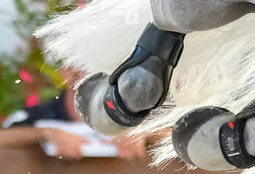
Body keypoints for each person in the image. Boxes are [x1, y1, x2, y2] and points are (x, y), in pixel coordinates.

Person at [0, 65, 146, 160]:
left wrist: (142, 135)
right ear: (67, 72)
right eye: (88, 67)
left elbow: (167, 133)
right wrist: (45, 133)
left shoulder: (131, 113)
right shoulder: (43, 114)